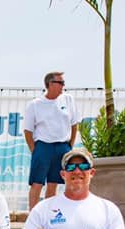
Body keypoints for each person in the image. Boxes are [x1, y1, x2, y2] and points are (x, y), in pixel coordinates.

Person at [23, 71, 80, 211]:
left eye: (63, 83)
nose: (63, 86)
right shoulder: (35, 104)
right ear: (50, 84)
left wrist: (69, 145)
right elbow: (28, 130)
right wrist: (35, 150)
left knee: (53, 183)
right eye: (60, 83)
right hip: (43, 146)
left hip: (62, 146)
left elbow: (74, 124)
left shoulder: (68, 99)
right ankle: (34, 217)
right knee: (37, 183)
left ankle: (48, 216)